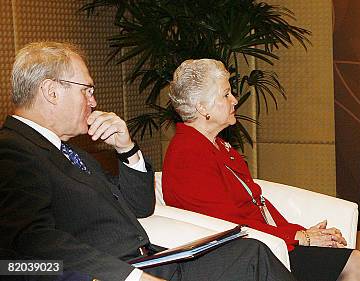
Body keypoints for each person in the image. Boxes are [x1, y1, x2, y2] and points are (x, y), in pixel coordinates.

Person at [0, 42, 296, 281]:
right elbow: (30, 244)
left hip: (152, 260)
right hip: (118, 271)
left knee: (252, 254)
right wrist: (131, 277)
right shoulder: (13, 150)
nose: (93, 100)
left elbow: (141, 206)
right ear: (52, 91)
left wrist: (126, 150)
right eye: (86, 90)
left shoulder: (68, 151)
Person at [162, 59, 360, 281]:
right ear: (202, 107)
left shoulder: (216, 145)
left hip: (264, 241)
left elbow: (257, 203)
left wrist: (300, 232)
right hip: (244, 254)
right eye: (226, 94)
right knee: (356, 263)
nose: (234, 100)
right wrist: (299, 237)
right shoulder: (188, 155)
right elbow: (230, 225)